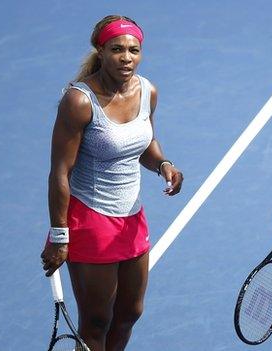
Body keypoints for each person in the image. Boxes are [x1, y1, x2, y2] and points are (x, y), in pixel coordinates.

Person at [40, 15, 183, 351]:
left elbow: (145, 142)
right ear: (100, 51)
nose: (126, 57)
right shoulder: (78, 102)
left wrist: (163, 164)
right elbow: (60, 171)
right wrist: (59, 235)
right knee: (96, 322)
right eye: (117, 49)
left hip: (132, 217)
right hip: (90, 218)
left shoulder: (148, 91)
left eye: (134, 50)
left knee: (129, 313)